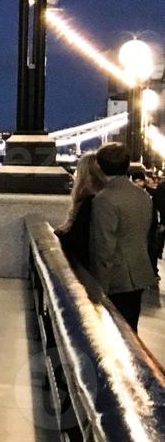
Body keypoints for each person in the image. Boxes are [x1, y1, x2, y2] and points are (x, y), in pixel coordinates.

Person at [90, 142, 156, 331]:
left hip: (116, 279)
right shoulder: (142, 195)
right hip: (139, 272)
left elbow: (104, 248)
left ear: (100, 166)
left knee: (113, 333)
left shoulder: (104, 199)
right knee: (131, 329)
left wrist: (98, 289)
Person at [56, 153, 106, 269]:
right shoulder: (101, 198)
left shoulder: (89, 201)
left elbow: (78, 237)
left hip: (88, 267)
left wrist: (57, 235)